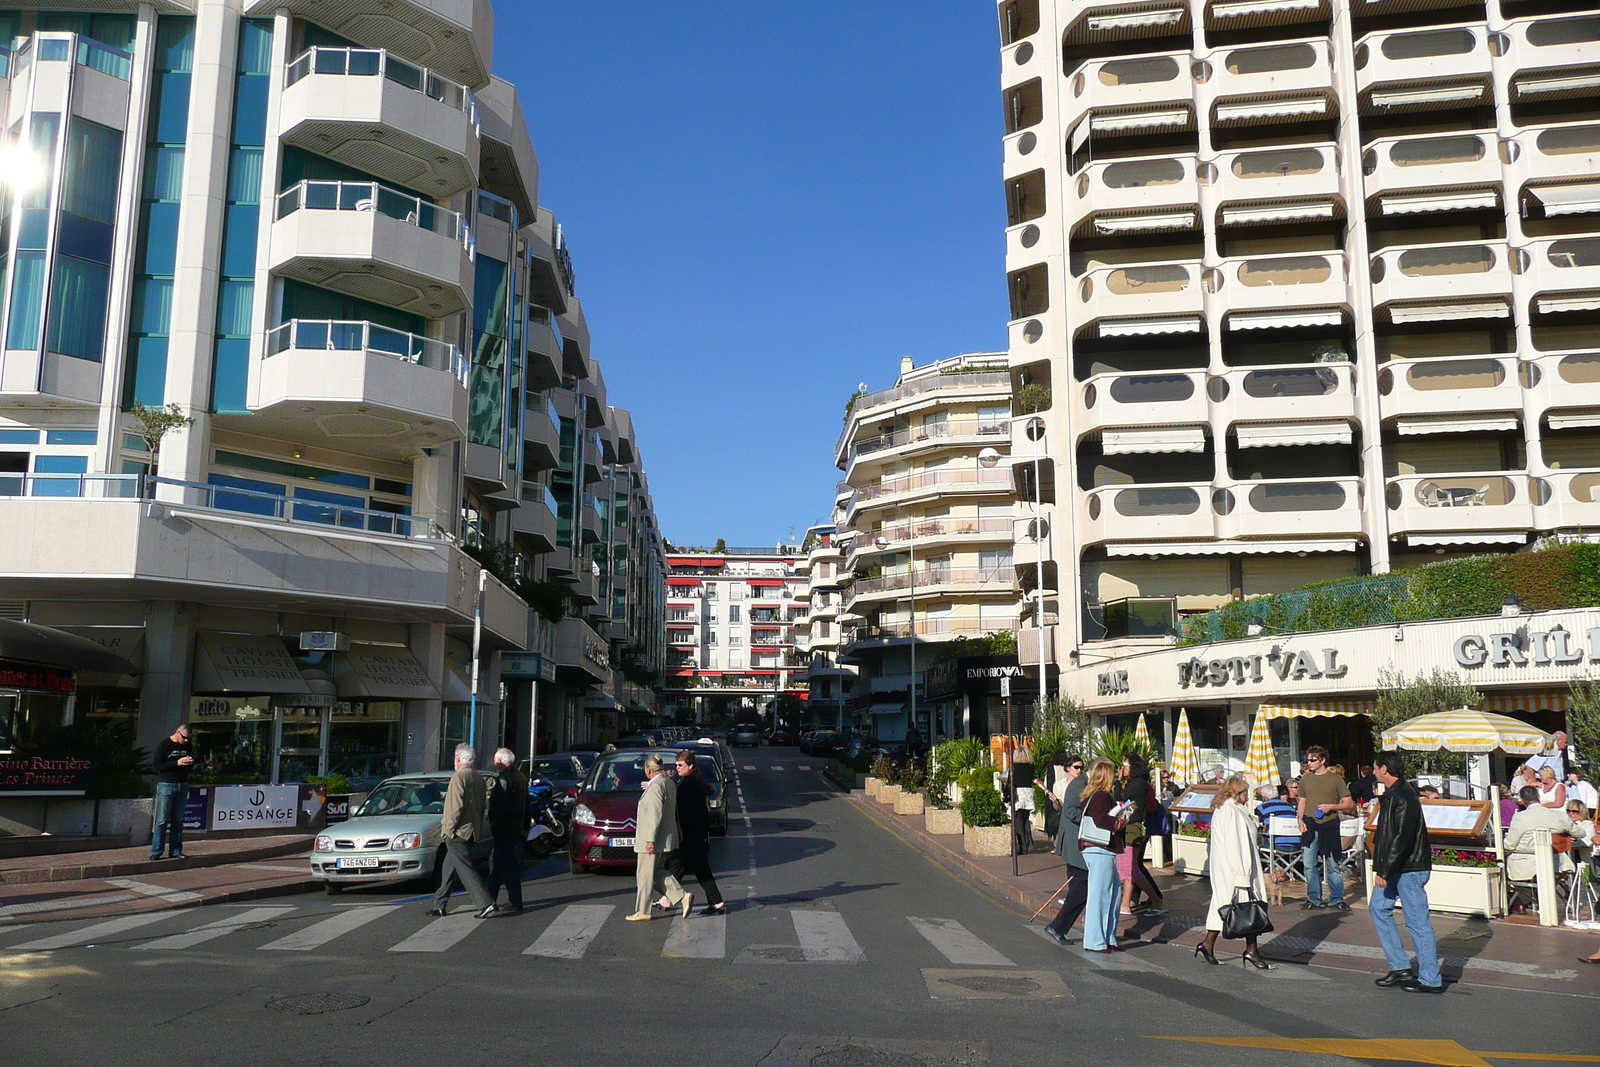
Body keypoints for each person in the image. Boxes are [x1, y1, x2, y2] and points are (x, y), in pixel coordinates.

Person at [1368, 751, 1443, 993]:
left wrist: (1385, 870)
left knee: (1417, 922)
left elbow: (1401, 837)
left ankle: (1430, 978)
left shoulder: (1404, 796)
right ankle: (1400, 966)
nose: (1373, 771)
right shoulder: (1391, 795)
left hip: (1408, 867)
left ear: (1384, 770)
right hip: (1395, 866)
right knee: (1378, 908)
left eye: (1375, 767)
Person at [1197, 775, 1274, 969]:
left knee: (1226, 906)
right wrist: (1242, 874)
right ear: (1237, 792)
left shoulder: (1228, 808)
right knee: (1247, 907)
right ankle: (1251, 951)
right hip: (1236, 868)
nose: (1248, 796)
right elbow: (1235, 844)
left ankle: (1209, 944)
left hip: (1231, 866)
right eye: (1245, 792)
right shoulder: (1230, 811)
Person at [429, 744, 496, 919]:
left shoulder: (459, 777)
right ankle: (439, 904)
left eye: (454, 758)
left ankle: (485, 903)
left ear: (458, 759)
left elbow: (454, 808)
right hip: (472, 831)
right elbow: (482, 805)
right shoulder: (477, 777)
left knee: (465, 870)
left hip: (458, 832)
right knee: (448, 868)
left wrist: (448, 831)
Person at [628, 754, 691, 921]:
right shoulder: (669, 783)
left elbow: (655, 814)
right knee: (657, 872)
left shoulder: (655, 787)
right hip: (666, 837)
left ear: (649, 770)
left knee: (644, 875)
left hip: (653, 839)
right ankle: (682, 896)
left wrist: (650, 840)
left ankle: (643, 911)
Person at [1078, 757, 1128, 953]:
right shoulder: (1100, 796)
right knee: (1100, 895)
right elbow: (1101, 821)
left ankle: (1108, 937)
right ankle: (1094, 940)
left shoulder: (1095, 795)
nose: (1115, 777)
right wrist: (1119, 822)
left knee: (1112, 894)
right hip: (1099, 847)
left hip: (1100, 849)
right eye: (1113, 773)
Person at [666, 750, 725, 916]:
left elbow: (677, 803)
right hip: (696, 831)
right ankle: (716, 902)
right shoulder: (693, 780)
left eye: (680, 765)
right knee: (697, 868)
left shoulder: (689, 783)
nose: (677, 768)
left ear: (690, 765)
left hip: (690, 832)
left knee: (679, 864)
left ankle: (669, 898)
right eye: (676, 765)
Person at [1298, 745, 1353, 912]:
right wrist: (1299, 819)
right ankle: (1314, 898)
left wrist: (1332, 807)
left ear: (1323, 760)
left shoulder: (1336, 780)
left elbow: (1348, 803)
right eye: (1308, 760)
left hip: (1329, 825)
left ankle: (1337, 898)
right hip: (1310, 824)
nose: (1309, 763)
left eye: (1313, 760)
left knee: (1333, 864)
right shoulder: (1306, 779)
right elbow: (1302, 801)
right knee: (1309, 864)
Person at [1043, 755, 1087, 945]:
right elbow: (1065, 809)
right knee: (1080, 885)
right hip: (1071, 836)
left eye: (1081, 767)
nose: (1079, 770)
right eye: (1076, 767)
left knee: (1079, 886)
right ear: (1068, 767)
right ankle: (1057, 926)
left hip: (1077, 837)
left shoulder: (1082, 783)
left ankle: (1060, 926)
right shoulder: (1068, 785)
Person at [1116, 753, 1165, 915]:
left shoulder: (1137, 784)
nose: (1123, 768)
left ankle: (1154, 899)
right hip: (1128, 827)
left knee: (1131, 868)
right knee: (1129, 867)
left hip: (1133, 828)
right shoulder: (1135, 783)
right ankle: (1130, 902)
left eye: (1126, 764)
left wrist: (1117, 780)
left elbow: (1120, 796)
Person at [484, 748, 530, 915]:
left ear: (501, 761)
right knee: (498, 864)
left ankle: (506, 900)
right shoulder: (520, 776)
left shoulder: (504, 780)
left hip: (504, 828)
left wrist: (493, 822)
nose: (495, 763)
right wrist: (525, 826)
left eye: (496, 760)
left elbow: (498, 806)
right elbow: (527, 804)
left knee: (504, 865)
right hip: (515, 827)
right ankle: (490, 899)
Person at [1505, 785, 1576, 884]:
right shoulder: (1560, 816)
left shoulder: (1520, 817)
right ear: (1538, 797)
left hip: (1529, 866)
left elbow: (1509, 844)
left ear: (1523, 801)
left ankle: (1520, 897)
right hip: (1557, 863)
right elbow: (1579, 832)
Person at [149, 723, 194, 861]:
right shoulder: (164, 745)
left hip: (182, 784)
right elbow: (156, 765)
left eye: (188, 739)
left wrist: (190, 762)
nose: (186, 741)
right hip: (167, 784)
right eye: (184, 738)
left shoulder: (187, 746)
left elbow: (192, 759)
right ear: (177, 732)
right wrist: (177, 763)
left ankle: (175, 850)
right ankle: (156, 851)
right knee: (162, 819)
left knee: (178, 820)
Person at [1255, 785, 1300, 851]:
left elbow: (1256, 822)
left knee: (1256, 842)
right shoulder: (1289, 806)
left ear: (1265, 797)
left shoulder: (1262, 807)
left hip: (1276, 845)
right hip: (1296, 845)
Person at [1011, 743, 1035, 856]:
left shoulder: (1014, 768)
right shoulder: (1031, 767)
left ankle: (1022, 846)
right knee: (1026, 819)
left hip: (1018, 794)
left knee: (1018, 821)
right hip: (1029, 793)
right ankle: (1029, 841)